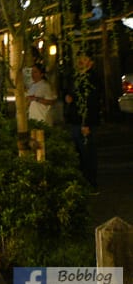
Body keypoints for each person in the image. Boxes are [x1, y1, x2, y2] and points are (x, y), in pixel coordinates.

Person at [63, 53, 101, 191]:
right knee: (78, 152)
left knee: (88, 153)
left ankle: (91, 183)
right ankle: (82, 181)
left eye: (84, 59)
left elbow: (92, 102)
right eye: (79, 59)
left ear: (90, 62)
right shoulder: (76, 77)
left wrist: (87, 123)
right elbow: (69, 92)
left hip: (85, 121)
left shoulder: (92, 79)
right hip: (75, 119)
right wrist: (67, 97)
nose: (80, 62)